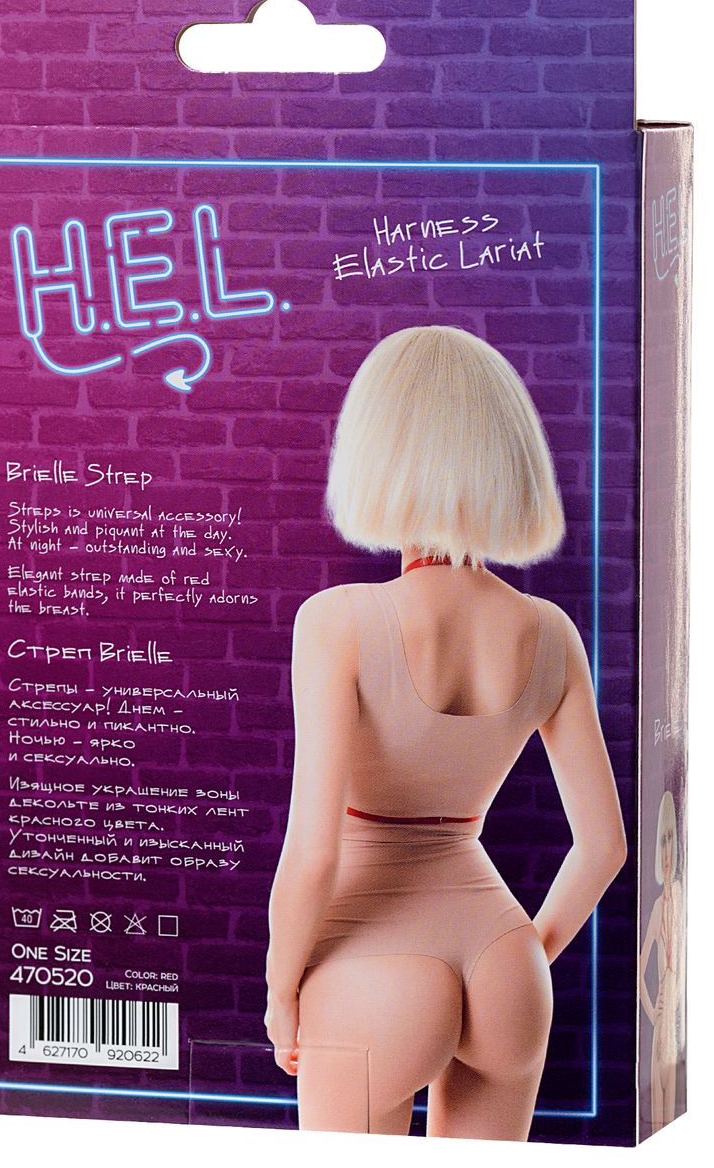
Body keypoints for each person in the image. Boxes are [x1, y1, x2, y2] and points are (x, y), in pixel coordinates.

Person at [264, 324, 627, 1139]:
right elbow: (603, 847)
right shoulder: (549, 633)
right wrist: (525, 951)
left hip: (370, 961)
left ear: (377, 453)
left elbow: (314, 854)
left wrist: (281, 990)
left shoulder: (338, 621)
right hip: (503, 953)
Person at [639, 790, 686, 1131]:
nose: (667, 851)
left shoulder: (681, 899)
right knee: (658, 1115)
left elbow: (681, 963)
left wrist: (675, 1001)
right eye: (662, 842)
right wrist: (651, 1011)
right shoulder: (657, 908)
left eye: (671, 839)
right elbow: (639, 971)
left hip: (674, 1024)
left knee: (671, 1117)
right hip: (661, 1029)